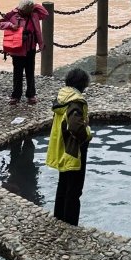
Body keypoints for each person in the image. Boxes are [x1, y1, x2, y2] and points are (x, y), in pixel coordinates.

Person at [45, 67, 92, 226]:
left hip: (61, 148)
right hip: (73, 150)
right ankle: (70, 225)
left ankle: (59, 219)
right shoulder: (75, 102)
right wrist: (86, 135)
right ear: (83, 85)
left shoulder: (62, 96)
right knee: (74, 190)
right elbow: (74, 126)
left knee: (63, 185)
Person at [0, 0, 49, 105]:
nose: (30, 10)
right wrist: (11, 25)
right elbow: (0, 24)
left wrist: (34, 5)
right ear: (24, 8)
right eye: (29, 8)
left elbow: (45, 14)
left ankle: (31, 95)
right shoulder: (12, 14)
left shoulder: (34, 14)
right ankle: (16, 96)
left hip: (31, 48)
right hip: (17, 49)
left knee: (30, 72)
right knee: (18, 73)